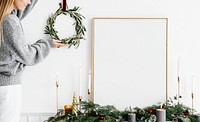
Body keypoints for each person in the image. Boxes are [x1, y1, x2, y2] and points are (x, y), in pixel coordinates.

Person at [0, 0, 66, 122]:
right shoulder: (10, 22)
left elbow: (18, 11)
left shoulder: (5, 17)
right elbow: (28, 56)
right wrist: (47, 44)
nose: (29, 2)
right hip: (7, 88)